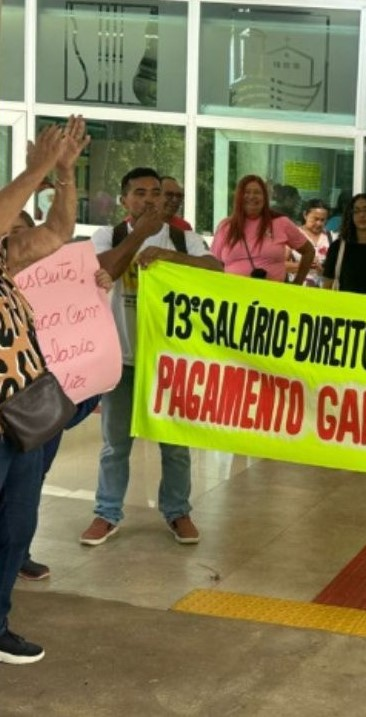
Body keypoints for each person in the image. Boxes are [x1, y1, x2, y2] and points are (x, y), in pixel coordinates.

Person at [82, 167, 223, 547]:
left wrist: (166, 255)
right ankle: (106, 512)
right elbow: (103, 270)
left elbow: (216, 269)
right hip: (122, 359)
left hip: (170, 362)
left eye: (156, 193)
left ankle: (177, 511)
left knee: (175, 444)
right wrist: (140, 236)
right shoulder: (106, 236)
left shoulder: (182, 237)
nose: (149, 199)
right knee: (115, 444)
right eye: (140, 193)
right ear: (124, 199)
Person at [0, 115, 89, 664]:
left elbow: (57, 233)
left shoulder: (6, 262)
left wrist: (64, 177)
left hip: (23, 419)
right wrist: (34, 170)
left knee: (16, 526)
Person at [4, 213, 111, 581]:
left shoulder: (58, 277)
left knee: (28, 485)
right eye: (9, 235)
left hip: (42, 403)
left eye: (24, 234)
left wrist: (94, 287)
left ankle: (18, 554)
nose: (18, 242)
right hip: (13, 404)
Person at [211, 175, 314, 284]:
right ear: (239, 197)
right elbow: (213, 263)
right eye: (247, 192)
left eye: (257, 193)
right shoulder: (226, 226)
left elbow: (309, 251)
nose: (252, 196)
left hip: (273, 296)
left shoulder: (281, 222)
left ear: (265, 198)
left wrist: (297, 283)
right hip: (234, 295)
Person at [286, 199, 331, 286]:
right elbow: (280, 264)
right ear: (305, 215)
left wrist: (321, 269)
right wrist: (304, 265)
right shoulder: (293, 235)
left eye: (323, 220)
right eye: (316, 219)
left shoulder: (331, 237)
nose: (319, 223)